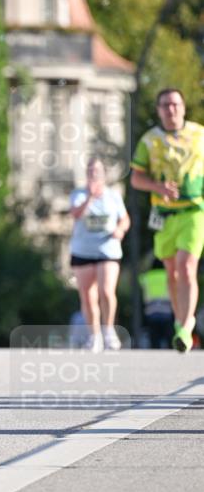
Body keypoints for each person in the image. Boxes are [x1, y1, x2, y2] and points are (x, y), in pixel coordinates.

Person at [130, 88, 204, 353]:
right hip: (163, 216)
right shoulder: (149, 141)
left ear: (183, 107)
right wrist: (158, 188)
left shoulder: (200, 135)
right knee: (172, 273)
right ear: (158, 110)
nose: (170, 109)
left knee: (186, 268)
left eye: (175, 104)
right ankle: (180, 322)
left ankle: (185, 326)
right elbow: (136, 178)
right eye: (165, 105)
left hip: (194, 212)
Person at [69, 157, 130, 351]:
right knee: (87, 296)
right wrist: (90, 197)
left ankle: (109, 330)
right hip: (83, 251)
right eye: (90, 171)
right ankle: (94, 336)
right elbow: (76, 214)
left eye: (97, 171)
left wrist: (120, 230)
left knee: (106, 291)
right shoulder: (78, 194)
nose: (93, 174)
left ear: (104, 174)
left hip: (108, 249)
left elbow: (125, 219)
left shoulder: (114, 196)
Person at [138, 258, 175, 350]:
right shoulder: (168, 276)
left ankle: (156, 353)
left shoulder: (147, 277)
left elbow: (140, 280)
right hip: (167, 311)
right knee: (169, 336)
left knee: (154, 338)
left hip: (151, 311)